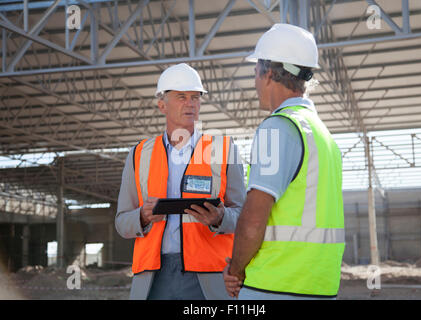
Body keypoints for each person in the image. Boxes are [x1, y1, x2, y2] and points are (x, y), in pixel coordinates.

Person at [223, 23, 346, 300]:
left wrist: (236, 269)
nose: (255, 82)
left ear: (266, 73)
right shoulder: (325, 137)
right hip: (320, 287)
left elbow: (253, 220)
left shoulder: (277, 128)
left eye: (255, 72)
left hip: (273, 285)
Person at [116, 63, 245, 300]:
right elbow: (122, 221)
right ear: (162, 105)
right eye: (182, 97)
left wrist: (220, 218)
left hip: (209, 278)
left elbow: (244, 217)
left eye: (196, 97)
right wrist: (142, 217)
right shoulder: (139, 155)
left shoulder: (224, 151)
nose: (190, 103)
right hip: (154, 279)